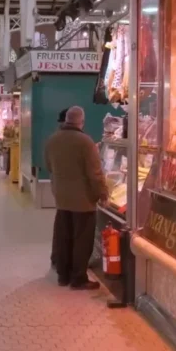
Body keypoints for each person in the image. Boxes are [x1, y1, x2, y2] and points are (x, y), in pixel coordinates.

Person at [43, 106, 107, 290]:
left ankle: (63, 275)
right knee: (82, 239)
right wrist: (102, 194)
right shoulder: (85, 142)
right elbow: (95, 174)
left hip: (61, 197)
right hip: (83, 200)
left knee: (63, 236)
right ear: (81, 122)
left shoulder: (52, 140)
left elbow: (49, 166)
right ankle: (78, 278)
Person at [50, 108, 69, 269]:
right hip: (75, 194)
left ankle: (57, 257)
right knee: (69, 228)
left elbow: (48, 164)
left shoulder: (54, 138)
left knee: (61, 223)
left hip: (58, 187)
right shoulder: (79, 140)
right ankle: (65, 263)